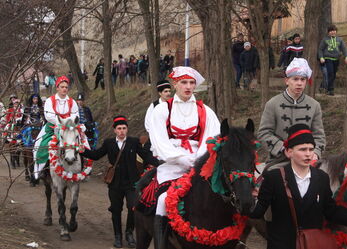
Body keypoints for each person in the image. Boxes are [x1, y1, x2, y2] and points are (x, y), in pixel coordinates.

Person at [250, 123, 347, 249]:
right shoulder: (273, 178)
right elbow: (257, 212)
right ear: (289, 152)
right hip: (282, 244)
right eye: (302, 149)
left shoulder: (321, 178)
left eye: (310, 149)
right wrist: (248, 199)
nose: (308, 154)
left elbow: (330, 210)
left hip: (312, 244)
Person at [148, 66, 220, 249]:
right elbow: (159, 140)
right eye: (183, 82)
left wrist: (200, 160)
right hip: (172, 164)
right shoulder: (162, 109)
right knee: (164, 199)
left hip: (199, 163)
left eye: (191, 83)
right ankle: (161, 244)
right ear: (175, 84)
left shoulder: (206, 111)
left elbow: (212, 137)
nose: (188, 87)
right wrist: (181, 158)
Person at [80, 116, 159, 248]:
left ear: (127, 129)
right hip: (115, 183)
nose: (122, 131)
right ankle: (118, 236)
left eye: (124, 128)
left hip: (132, 182)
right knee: (116, 210)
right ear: (115, 130)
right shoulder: (109, 143)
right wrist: (82, 151)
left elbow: (146, 156)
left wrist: (161, 164)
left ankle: (129, 233)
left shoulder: (134, 142)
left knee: (132, 207)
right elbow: (96, 155)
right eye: (119, 129)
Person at [258, 58, 325, 166]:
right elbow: (264, 133)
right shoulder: (272, 104)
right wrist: (282, 148)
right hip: (279, 159)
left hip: (308, 161)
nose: (299, 83)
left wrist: (315, 153)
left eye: (303, 80)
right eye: (295, 79)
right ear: (287, 81)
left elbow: (319, 136)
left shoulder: (314, 105)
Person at [33, 76, 85, 179]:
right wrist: (62, 123)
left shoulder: (72, 102)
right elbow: (49, 116)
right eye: (62, 87)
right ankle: (41, 169)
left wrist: (68, 123)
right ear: (57, 87)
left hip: (70, 128)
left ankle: (82, 166)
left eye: (66, 87)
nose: (64, 89)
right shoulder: (50, 100)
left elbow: (76, 115)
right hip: (53, 127)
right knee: (39, 145)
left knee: (84, 143)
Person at [318, 24, 347, 96]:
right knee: (330, 73)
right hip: (328, 58)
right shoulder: (325, 39)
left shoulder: (339, 40)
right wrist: (321, 57)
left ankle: (323, 86)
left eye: (334, 30)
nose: (333, 32)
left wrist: (346, 56)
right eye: (331, 31)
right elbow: (320, 49)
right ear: (328, 32)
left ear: (336, 31)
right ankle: (330, 90)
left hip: (336, 59)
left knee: (333, 75)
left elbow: (344, 48)